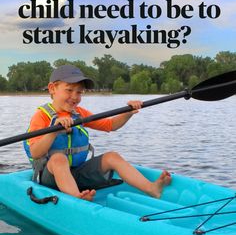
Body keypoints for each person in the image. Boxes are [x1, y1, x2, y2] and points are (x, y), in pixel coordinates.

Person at [24, 65, 171, 201]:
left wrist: (129, 112)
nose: (75, 97)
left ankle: (152, 188)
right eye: (69, 90)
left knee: (112, 156)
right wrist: (53, 132)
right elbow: (35, 152)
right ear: (52, 88)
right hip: (50, 176)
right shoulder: (41, 116)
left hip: (76, 173)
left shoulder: (79, 114)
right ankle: (78, 199)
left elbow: (110, 125)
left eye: (79, 92)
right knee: (58, 159)